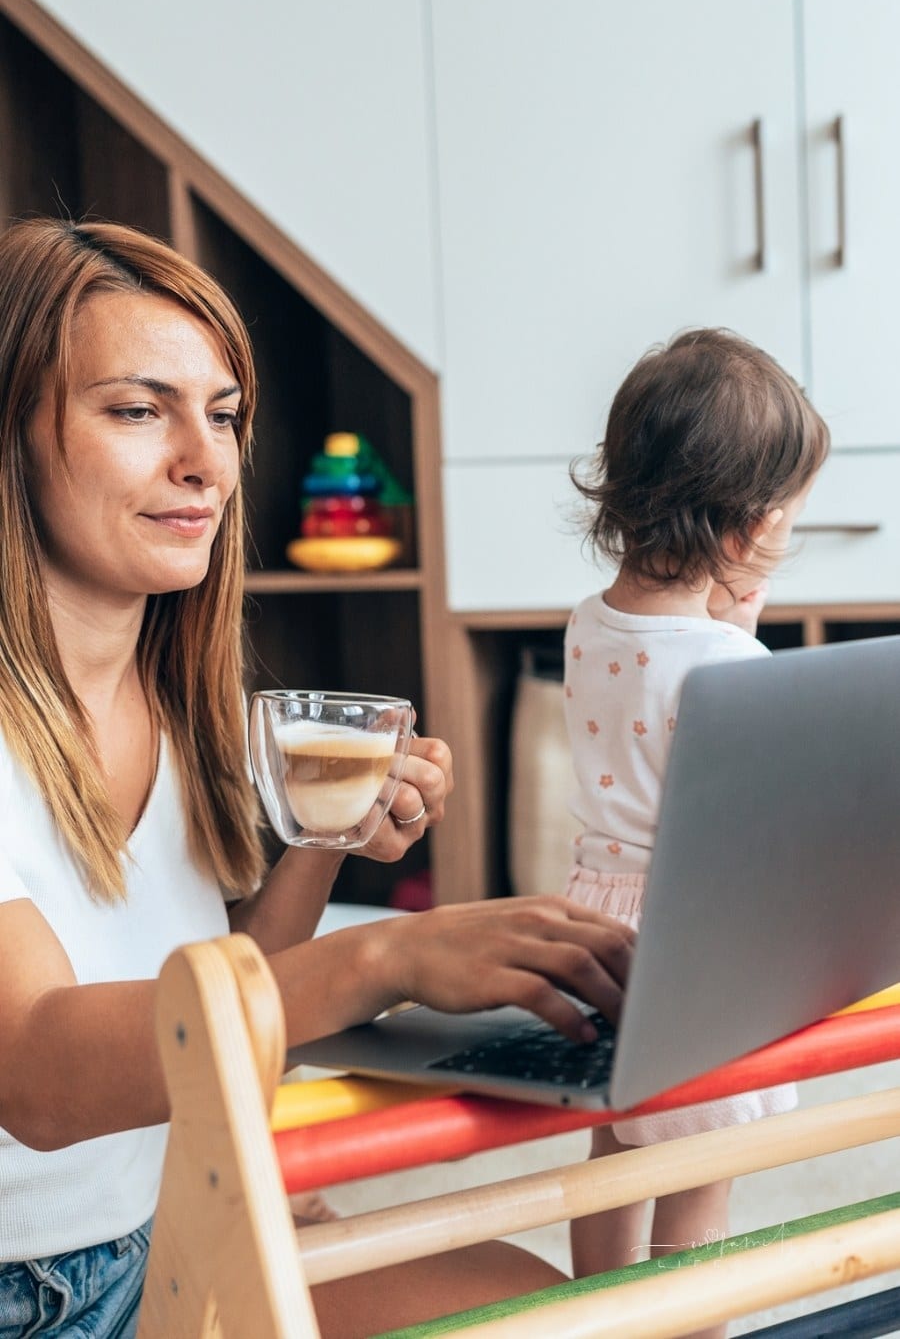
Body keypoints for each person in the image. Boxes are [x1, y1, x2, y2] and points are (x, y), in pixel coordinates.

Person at [0, 217, 636, 1339]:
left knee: (564, 1313)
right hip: (32, 1292)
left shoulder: (174, 698)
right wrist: (386, 953)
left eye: (226, 414)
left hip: (166, 1227)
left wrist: (323, 835)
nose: (206, 460)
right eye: (139, 409)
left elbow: (231, 990)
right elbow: (40, 1075)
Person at [563, 328, 830, 1335]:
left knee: (618, 1132)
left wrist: (734, 626)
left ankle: (595, 1306)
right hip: (694, 933)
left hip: (595, 914)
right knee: (704, 1160)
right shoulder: (728, 666)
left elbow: (659, 713)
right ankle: (689, 1323)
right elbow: (745, 815)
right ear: (740, 534)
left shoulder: (586, 621)